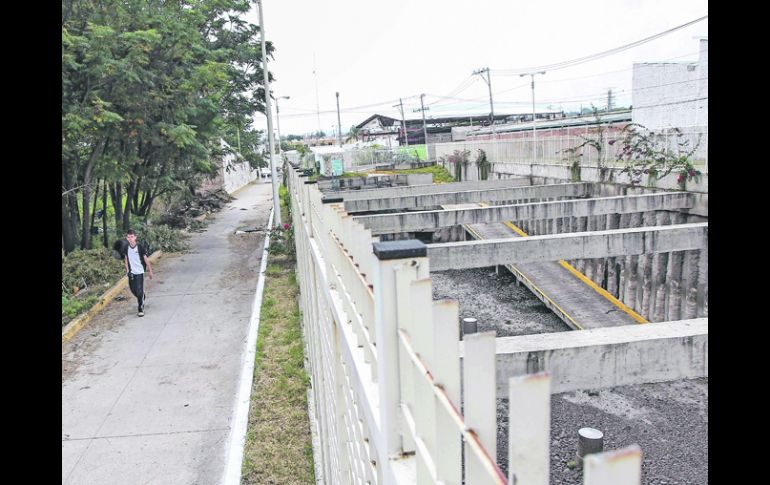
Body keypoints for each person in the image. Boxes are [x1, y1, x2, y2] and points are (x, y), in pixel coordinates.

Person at [122, 229, 154, 317]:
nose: (130, 239)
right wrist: (127, 270)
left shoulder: (140, 247)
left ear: (135, 237)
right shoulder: (126, 248)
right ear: (127, 238)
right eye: (128, 237)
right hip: (131, 272)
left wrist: (150, 271)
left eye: (132, 237)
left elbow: (145, 259)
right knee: (133, 290)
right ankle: (142, 297)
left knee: (139, 290)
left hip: (139, 272)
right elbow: (126, 259)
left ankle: (140, 308)